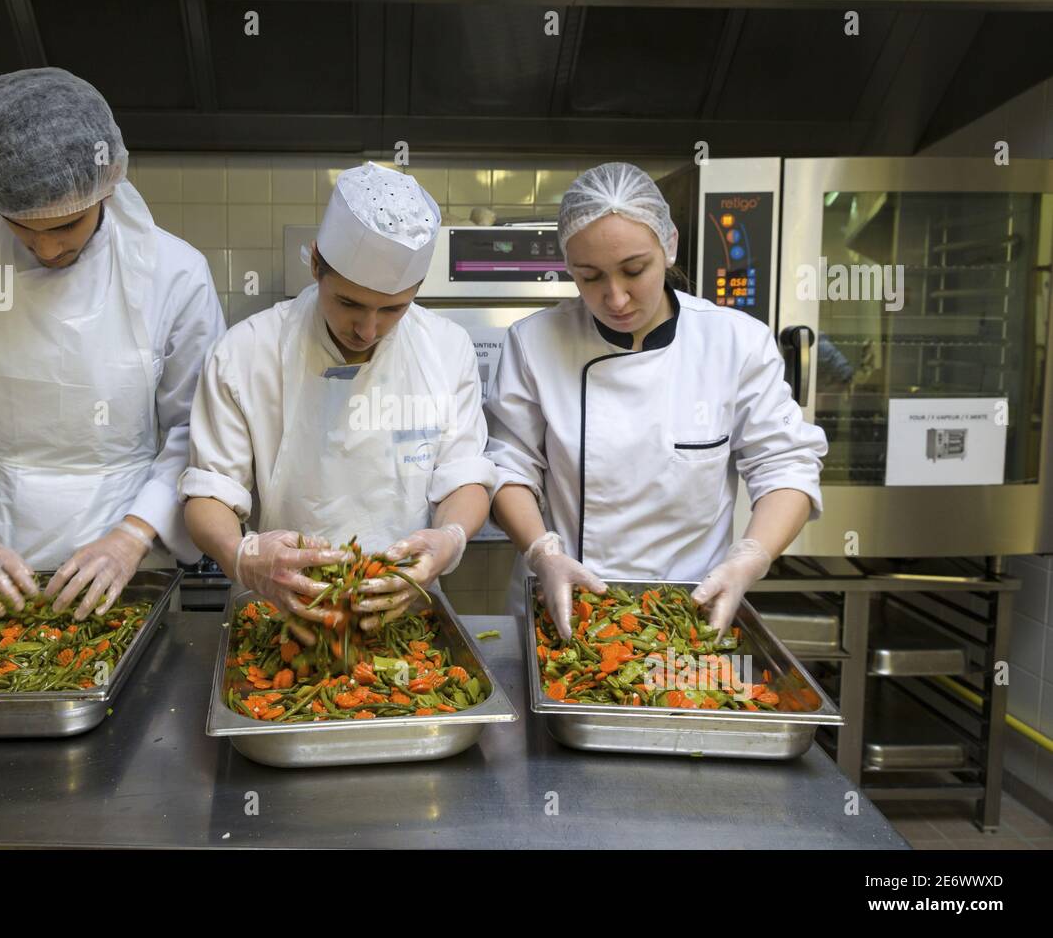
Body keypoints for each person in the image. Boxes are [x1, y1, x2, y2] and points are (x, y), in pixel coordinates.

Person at [0, 68, 225, 620]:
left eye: (69, 225)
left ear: (108, 185)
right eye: (23, 227)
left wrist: (132, 537)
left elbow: (194, 431)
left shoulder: (175, 272)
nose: (47, 248)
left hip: (130, 555)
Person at [484, 162, 828, 638]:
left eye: (634, 270)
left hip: (690, 612)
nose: (616, 298)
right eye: (590, 277)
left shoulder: (736, 343)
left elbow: (787, 467)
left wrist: (750, 558)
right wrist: (544, 554)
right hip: (565, 609)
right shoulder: (535, 342)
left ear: (668, 246)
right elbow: (507, 468)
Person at [180, 163, 494, 631]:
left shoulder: (447, 349)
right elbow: (209, 494)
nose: (368, 330)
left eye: (393, 309)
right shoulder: (244, 353)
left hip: (402, 609)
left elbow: (462, 477)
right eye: (349, 303)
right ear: (314, 264)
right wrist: (242, 555)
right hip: (286, 611)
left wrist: (450, 537)